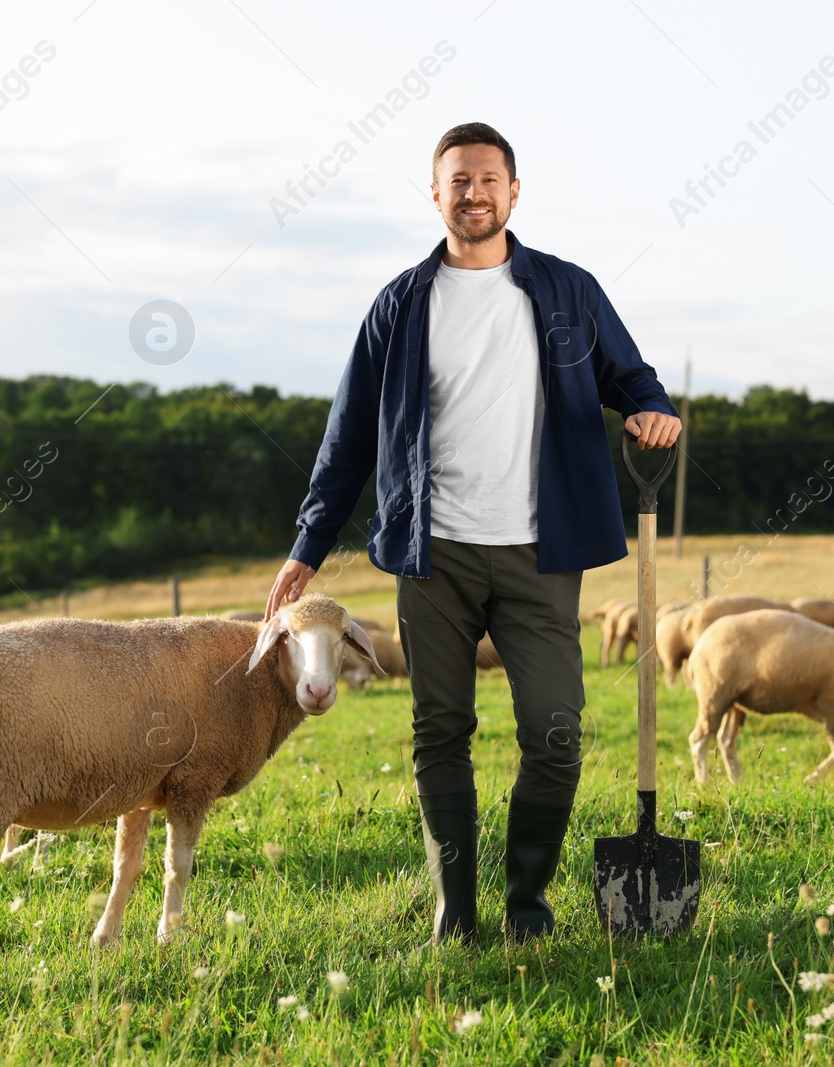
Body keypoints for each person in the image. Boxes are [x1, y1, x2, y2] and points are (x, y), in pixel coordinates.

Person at [264, 122, 681, 943]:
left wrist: (652, 407)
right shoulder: (400, 303)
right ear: (436, 194)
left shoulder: (568, 291)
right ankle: (456, 910)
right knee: (439, 729)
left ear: (514, 191)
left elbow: (629, 375)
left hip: (542, 550)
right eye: (458, 180)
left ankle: (527, 901)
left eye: (489, 178)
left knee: (557, 731)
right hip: (433, 555)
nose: (475, 192)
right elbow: (348, 435)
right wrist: (308, 543)